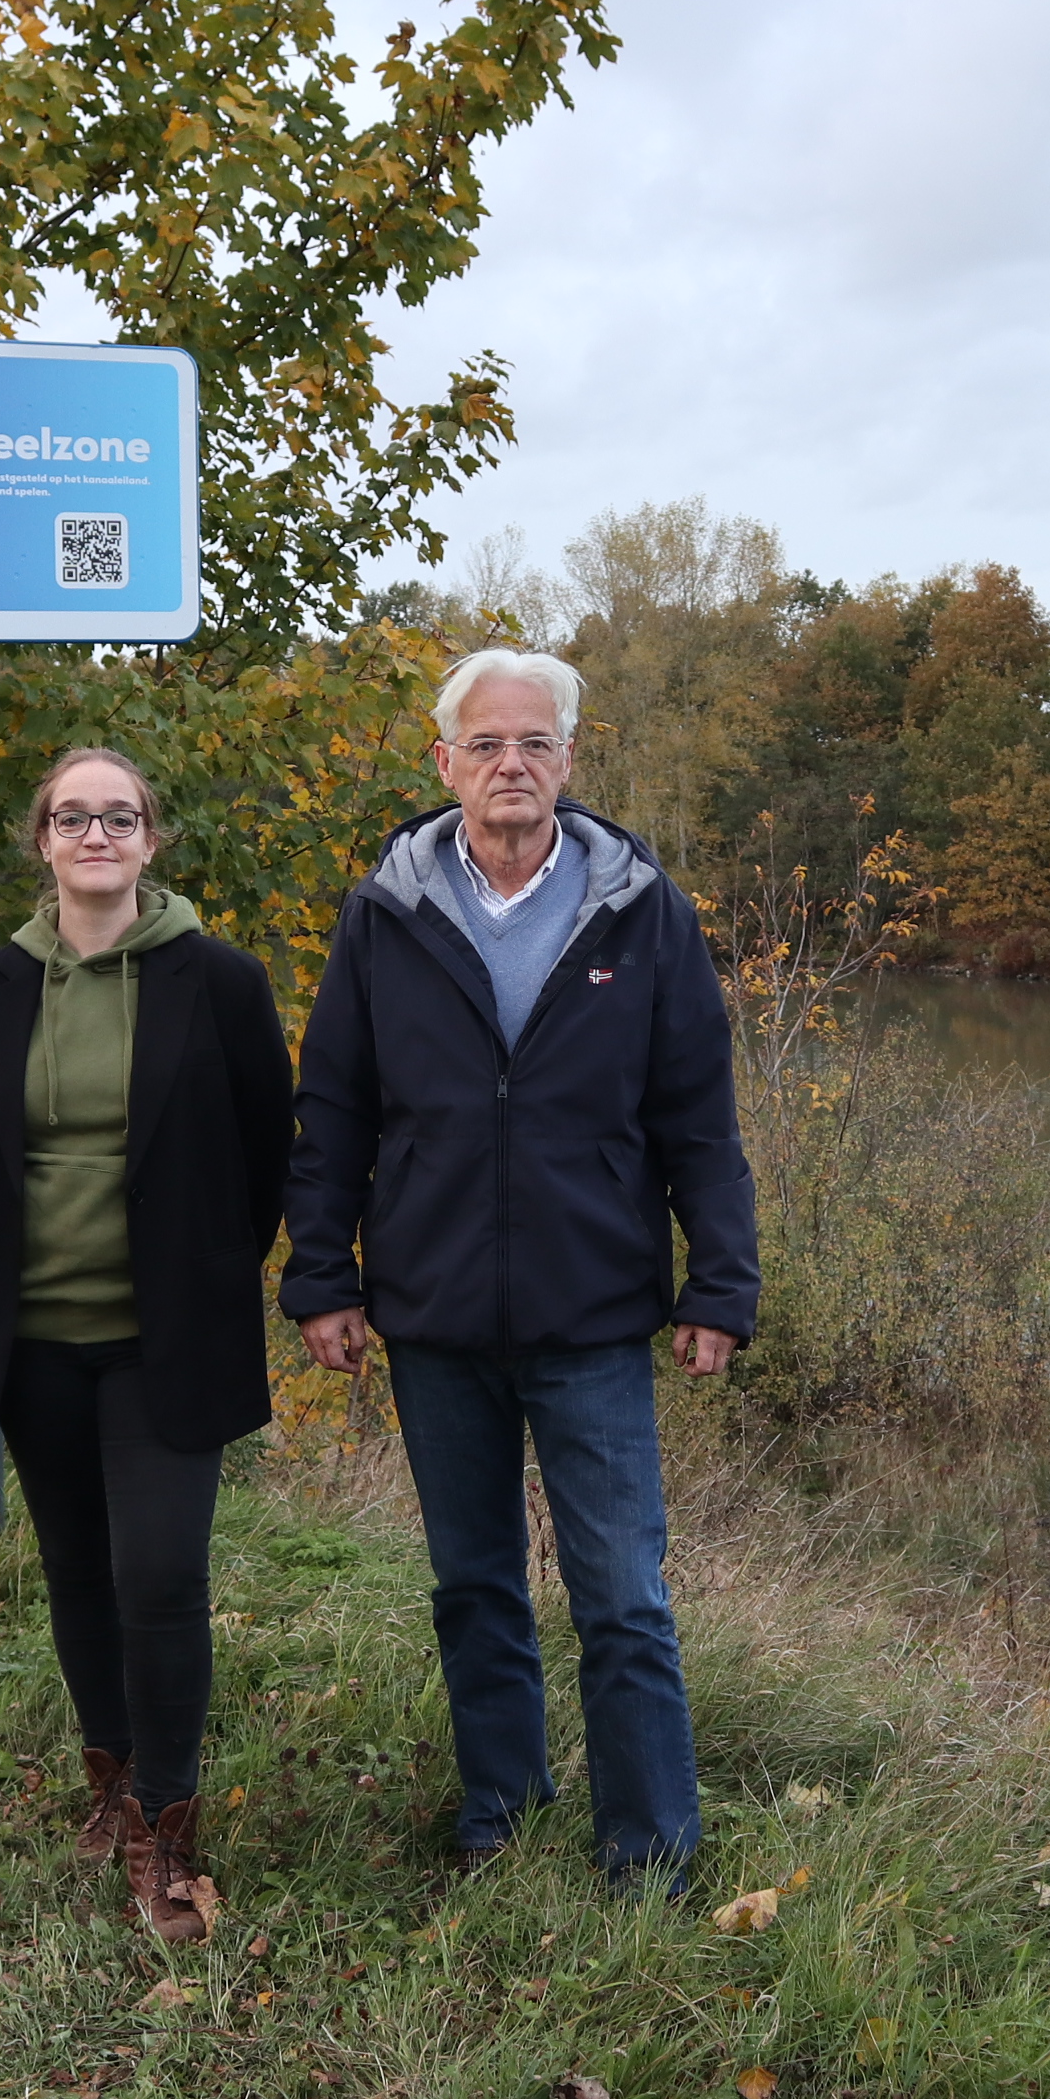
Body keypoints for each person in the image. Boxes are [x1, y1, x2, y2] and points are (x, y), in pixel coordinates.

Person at [283, 646, 757, 1887]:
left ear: (568, 760)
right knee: (474, 1584)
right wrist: (323, 1274)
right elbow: (333, 1106)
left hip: (593, 1310)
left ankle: (649, 1847)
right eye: (485, 744)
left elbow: (697, 1111)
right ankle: (501, 1808)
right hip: (433, 1308)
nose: (510, 765)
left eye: (534, 743)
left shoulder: (640, 908)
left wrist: (720, 1281)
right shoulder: (388, 907)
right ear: (442, 761)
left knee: (622, 1595)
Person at [0, 748, 291, 1941]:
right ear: (41, 838)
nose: (96, 833)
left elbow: (265, 1153)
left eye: (119, 815)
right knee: (78, 1569)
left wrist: (200, 1273)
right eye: (72, 816)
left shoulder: (221, 982)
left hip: (163, 1338)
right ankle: (111, 1781)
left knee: (158, 1573)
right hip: (30, 1335)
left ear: (150, 838)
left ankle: (168, 1830)